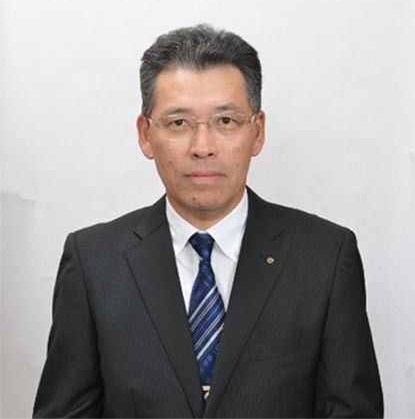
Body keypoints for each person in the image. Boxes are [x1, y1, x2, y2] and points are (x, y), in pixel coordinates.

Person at [33, 24, 383, 418]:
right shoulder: (93, 262)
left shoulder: (325, 257)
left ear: (257, 132)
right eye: (179, 123)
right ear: (146, 135)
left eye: (226, 121)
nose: (203, 147)